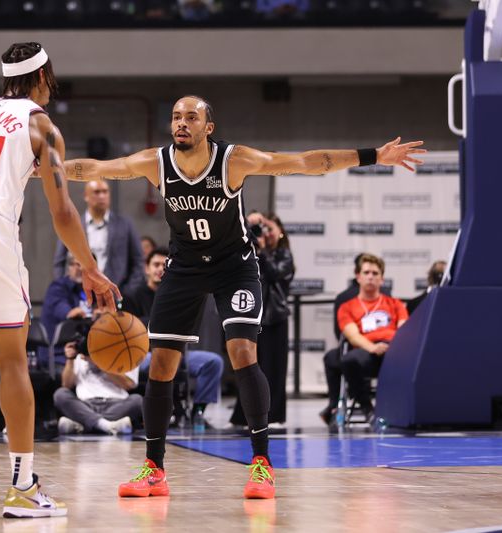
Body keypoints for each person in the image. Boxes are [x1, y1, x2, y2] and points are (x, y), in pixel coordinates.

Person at [64, 94, 424, 499]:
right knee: (162, 364)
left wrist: (374, 154)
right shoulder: (156, 162)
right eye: (176, 117)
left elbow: (307, 161)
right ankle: (154, 469)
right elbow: (95, 168)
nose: (181, 123)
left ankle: (261, 464)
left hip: (235, 268)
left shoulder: (233, 160)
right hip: (184, 269)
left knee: (242, 353)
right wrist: (41, 169)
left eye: (191, 117)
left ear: (208, 127)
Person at [0, 42, 119, 519]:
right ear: (44, 76)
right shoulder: (41, 125)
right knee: (12, 362)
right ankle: (24, 486)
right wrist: (90, 268)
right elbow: (63, 210)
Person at [125, 248, 225, 426]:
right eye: (155, 264)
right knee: (161, 361)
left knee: (213, 362)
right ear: (146, 268)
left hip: (178, 351)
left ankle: (198, 411)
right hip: (142, 354)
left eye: (164, 265)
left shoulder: (177, 294)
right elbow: (129, 328)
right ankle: (166, 412)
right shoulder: (132, 295)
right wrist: (160, 322)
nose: (160, 269)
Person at [230, 212, 294, 426]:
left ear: (280, 231)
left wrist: (264, 250)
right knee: (249, 367)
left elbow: (275, 274)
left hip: (275, 318)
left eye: (269, 228)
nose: (264, 233)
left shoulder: (284, 255)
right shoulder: (249, 254)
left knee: (275, 369)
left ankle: (274, 415)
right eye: (260, 228)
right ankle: (243, 415)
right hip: (252, 316)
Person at [338, 253, 409, 421]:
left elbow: (404, 331)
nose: (370, 277)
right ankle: (368, 409)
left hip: (394, 350)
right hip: (366, 350)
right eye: (366, 273)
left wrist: (393, 347)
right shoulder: (346, 307)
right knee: (349, 361)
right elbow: (353, 335)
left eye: (375, 273)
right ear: (358, 277)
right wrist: (373, 348)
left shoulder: (396, 304)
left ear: (382, 279)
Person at [52, 180, 145, 295]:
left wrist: (127, 292)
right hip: (78, 292)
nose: (102, 196)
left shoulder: (124, 225)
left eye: (105, 192)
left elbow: (138, 261)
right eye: (96, 192)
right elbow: (59, 261)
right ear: (86, 196)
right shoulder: (74, 225)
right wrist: (63, 290)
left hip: (115, 290)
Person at [54, 341, 140, 435]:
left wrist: (99, 362)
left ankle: (83, 425)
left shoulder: (123, 353)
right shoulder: (78, 356)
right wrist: (70, 359)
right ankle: (107, 426)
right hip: (85, 406)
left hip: (116, 405)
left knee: (137, 400)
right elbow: (66, 385)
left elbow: (128, 385)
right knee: (60, 394)